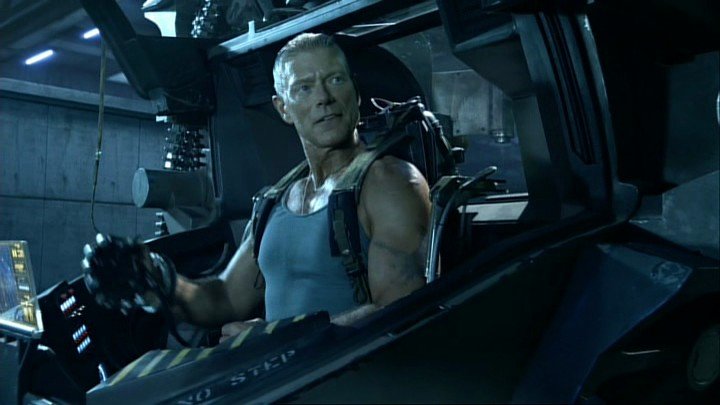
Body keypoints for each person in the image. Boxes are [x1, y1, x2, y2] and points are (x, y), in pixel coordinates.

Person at [171, 33, 431, 340]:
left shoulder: (390, 183)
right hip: (283, 368)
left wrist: (277, 338)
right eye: (304, 88)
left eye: (335, 80)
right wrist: (162, 283)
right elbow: (225, 298)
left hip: (352, 369)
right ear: (283, 108)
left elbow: (400, 310)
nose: (324, 97)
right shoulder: (274, 202)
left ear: (355, 92)